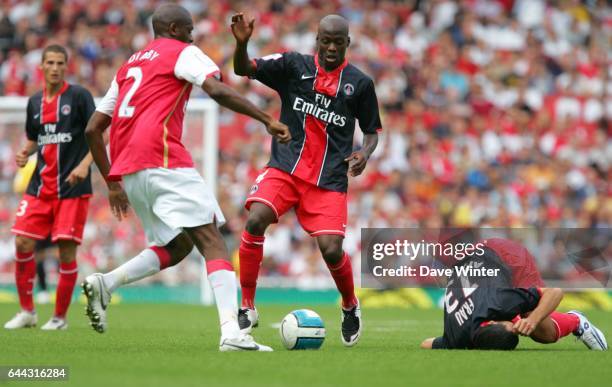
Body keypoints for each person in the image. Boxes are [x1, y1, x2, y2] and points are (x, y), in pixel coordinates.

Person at [81, 4, 290, 352]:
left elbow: (93, 128)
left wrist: (113, 183)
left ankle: (107, 282)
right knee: (212, 240)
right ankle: (232, 333)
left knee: (178, 246)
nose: (194, 34)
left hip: (129, 170)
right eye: (190, 28)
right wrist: (266, 119)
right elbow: (218, 91)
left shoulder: (129, 64)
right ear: (176, 29)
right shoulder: (182, 52)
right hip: (162, 159)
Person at [231, 13, 382, 346]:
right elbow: (244, 69)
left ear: (347, 43)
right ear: (316, 39)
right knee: (255, 219)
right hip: (285, 168)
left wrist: (365, 154)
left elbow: (372, 132)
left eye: (337, 41)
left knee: (330, 249)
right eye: (324, 40)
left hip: (328, 179)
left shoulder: (360, 84)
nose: (330, 47)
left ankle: (349, 305)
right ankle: (247, 305)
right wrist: (241, 44)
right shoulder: (292, 66)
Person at [5, 44, 96, 331]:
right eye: (50, 63)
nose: (55, 68)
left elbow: (98, 135)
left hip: (72, 189)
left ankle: (59, 318)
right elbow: (37, 138)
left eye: (60, 63)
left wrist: (84, 166)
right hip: (39, 187)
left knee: (66, 252)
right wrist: (25, 152)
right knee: (22, 242)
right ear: (41, 67)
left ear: (66, 66)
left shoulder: (79, 97)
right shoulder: (34, 103)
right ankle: (27, 311)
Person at [420, 242, 607, 350]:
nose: (516, 327)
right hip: (470, 259)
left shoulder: (499, 302)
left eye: (512, 326)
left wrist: (532, 320)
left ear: (492, 322)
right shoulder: (456, 339)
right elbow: (425, 343)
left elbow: (555, 292)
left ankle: (577, 321)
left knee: (542, 332)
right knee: (524, 316)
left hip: (505, 255)